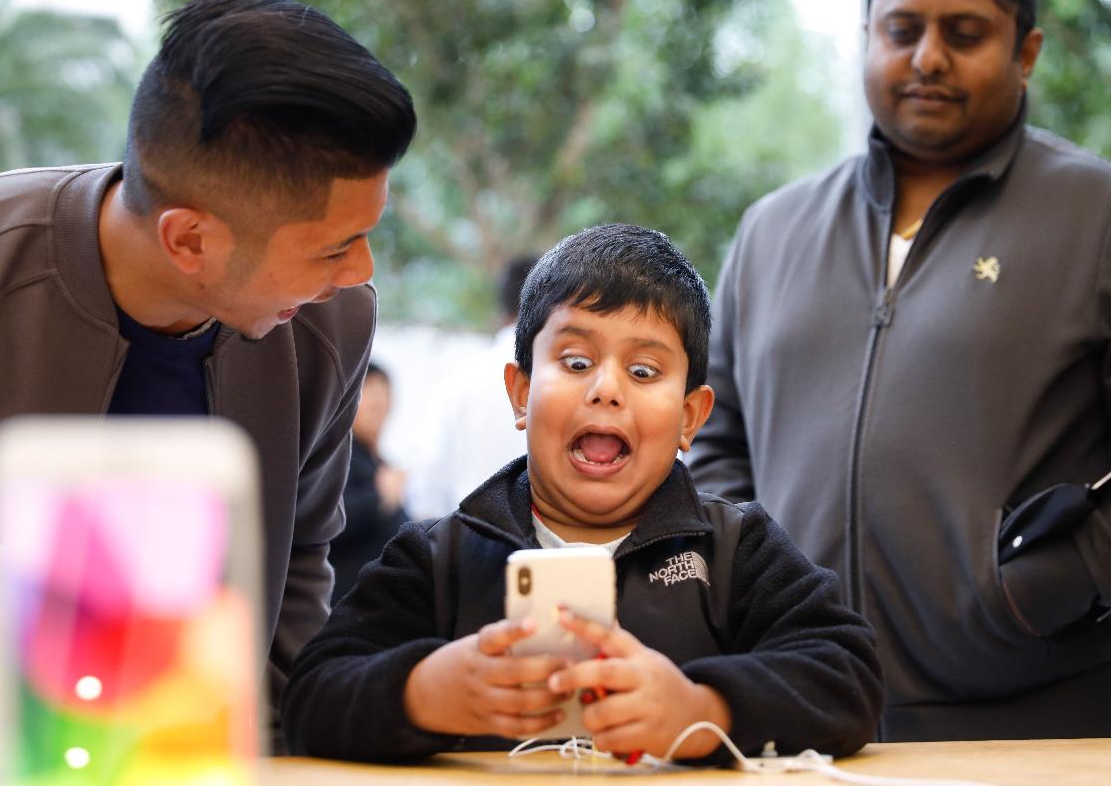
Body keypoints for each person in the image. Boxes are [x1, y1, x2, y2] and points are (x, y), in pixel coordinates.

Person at [688, 0, 1111, 741]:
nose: (927, 57)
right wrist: (750, 599)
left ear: (1027, 52)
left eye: (964, 32)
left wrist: (1054, 581)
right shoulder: (770, 232)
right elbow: (715, 447)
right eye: (903, 29)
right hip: (799, 723)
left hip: (1044, 730)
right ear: (867, 37)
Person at [0, 0, 416, 749]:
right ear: (188, 241)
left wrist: (274, 749)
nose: (360, 272)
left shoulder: (332, 325)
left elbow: (305, 557)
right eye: (331, 248)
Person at [281, 223, 883, 762]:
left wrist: (703, 710)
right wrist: (423, 694)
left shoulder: (735, 550)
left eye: (644, 372)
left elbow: (848, 676)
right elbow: (313, 697)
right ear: (520, 394)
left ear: (690, 418)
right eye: (574, 361)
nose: (606, 389)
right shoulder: (437, 557)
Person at [406, 256, 538, 520]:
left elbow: (425, 494)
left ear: (501, 310)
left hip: (466, 543)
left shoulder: (458, 383)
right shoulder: (577, 381)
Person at [330, 363, 410, 604]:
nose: (378, 403)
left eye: (383, 392)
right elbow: (330, 521)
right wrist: (380, 497)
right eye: (369, 392)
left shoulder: (381, 463)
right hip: (345, 605)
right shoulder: (337, 458)